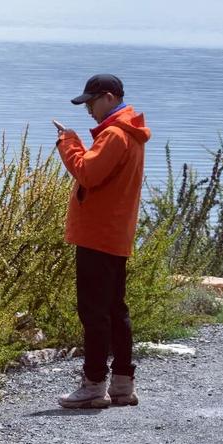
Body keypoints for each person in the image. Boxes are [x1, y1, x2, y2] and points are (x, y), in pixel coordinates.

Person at [54, 74, 151, 409]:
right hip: (116, 233)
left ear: (109, 98)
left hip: (97, 235)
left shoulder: (114, 135)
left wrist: (68, 141)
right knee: (115, 309)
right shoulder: (132, 134)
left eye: (91, 102)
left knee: (94, 311)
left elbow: (87, 173)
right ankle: (123, 384)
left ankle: (94, 384)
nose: (89, 110)